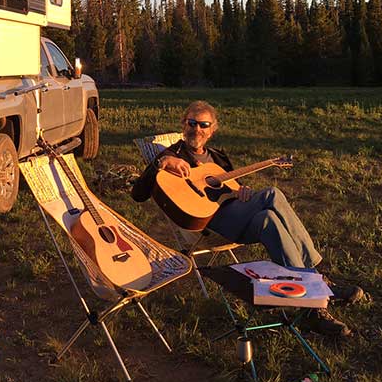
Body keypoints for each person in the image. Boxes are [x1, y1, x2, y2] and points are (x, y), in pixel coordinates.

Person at [132, 100, 364, 337]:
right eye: (192, 122)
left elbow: (232, 188)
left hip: (238, 215)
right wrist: (162, 162)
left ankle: (311, 308)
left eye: (204, 124)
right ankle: (319, 280)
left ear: (213, 130)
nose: (197, 129)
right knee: (272, 194)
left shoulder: (218, 157)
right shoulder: (172, 155)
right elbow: (138, 194)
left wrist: (242, 191)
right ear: (184, 123)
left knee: (268, 219)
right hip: (212, 222)